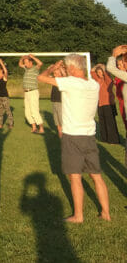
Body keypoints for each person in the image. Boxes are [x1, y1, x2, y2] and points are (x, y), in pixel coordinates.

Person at [38, 56, 111, 222]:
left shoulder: (70, 83)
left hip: (72, 136)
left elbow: (40, 78)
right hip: (89, 135)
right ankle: (106, 213)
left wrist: (52, 68)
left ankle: (78, 215)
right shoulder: (93, 84)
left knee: (75, 176)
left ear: (71, 67)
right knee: (96, 176)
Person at [91, 64, 120, 144]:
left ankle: (113, 140)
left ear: (104, 72)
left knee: (110, 123)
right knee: (102, 122)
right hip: (100, 104)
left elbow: (107, 75)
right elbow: (92, 72)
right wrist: (97, 65)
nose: (100, 74)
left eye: (101, 72)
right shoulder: (97, 80)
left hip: (108, 104)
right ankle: (105, 138)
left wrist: (103, 68)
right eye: (98, 72)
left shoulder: (108, 80)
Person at [20, 54, 44, 134]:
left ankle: (41, 128)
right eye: (25, 63)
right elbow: (20, 64)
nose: (25, 64)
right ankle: (34, 127)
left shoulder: (35, 68)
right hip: (26, 93)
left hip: (33, 92)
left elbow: (40, 63)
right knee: (27, 111)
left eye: (26, 62)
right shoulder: (26, 69)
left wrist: (32, 57)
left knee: (34, 111)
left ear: (31, 62)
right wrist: (22, 58)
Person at [50, 65, 66, 138]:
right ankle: (59, 133)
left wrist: (60, 68)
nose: (54, 74)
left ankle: (64, 133)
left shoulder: (63, 80)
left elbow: (65, 75)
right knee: (56, 119)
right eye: (54, 73)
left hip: (60, 102)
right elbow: (46, 74)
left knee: (61, 118)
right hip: (54, 101)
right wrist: (53, 67)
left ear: (60, 73)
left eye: (56, 73)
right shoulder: (53, 80)